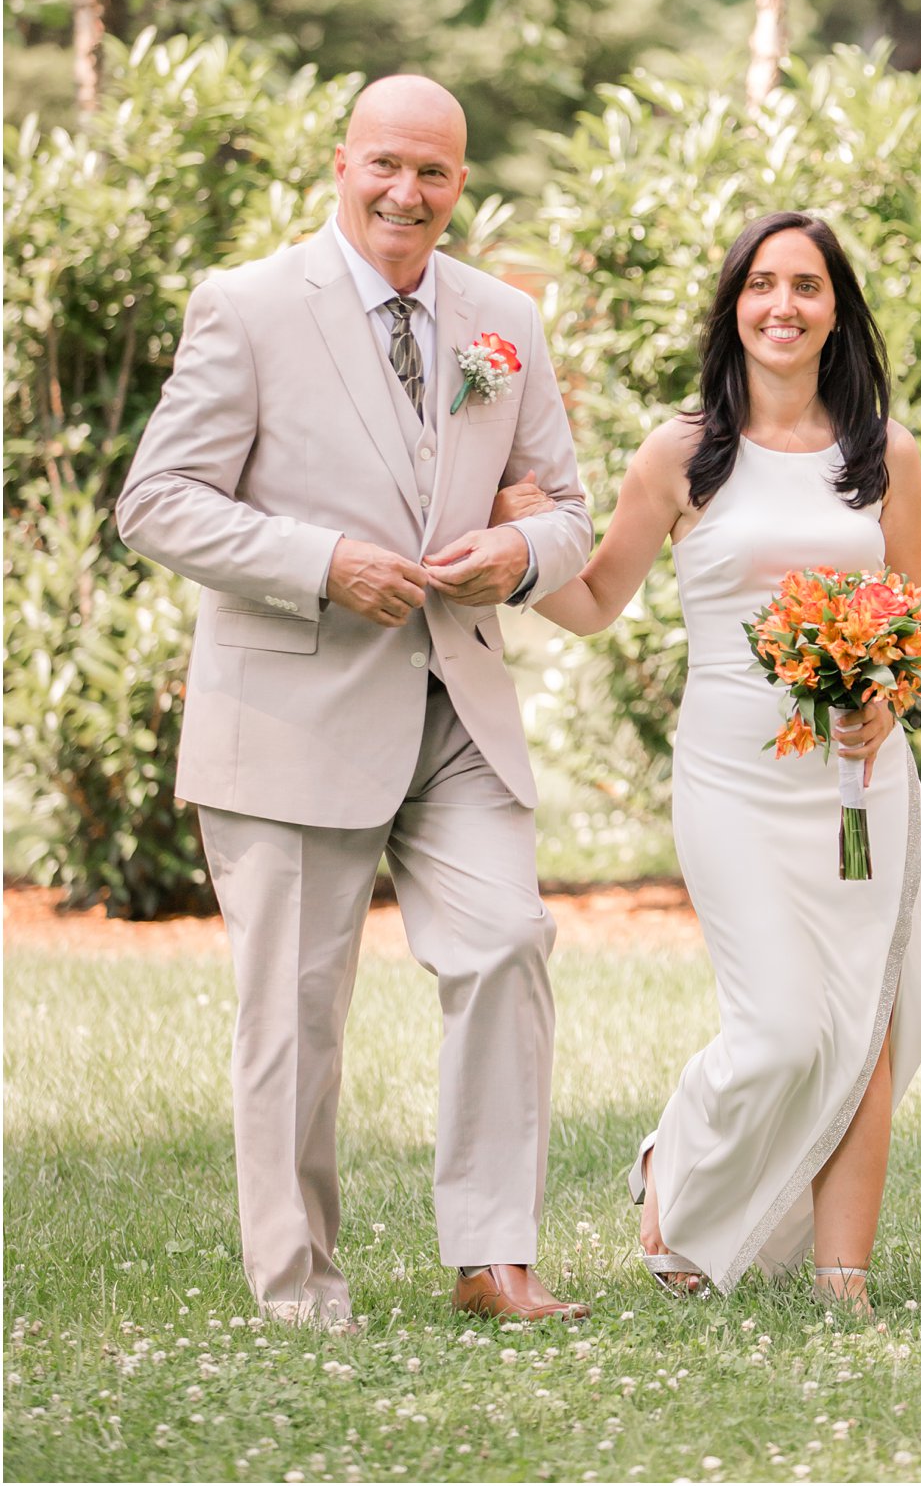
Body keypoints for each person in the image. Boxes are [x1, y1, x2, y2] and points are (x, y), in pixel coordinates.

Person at [117, 75, 594, 1329]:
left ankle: (493, 1258)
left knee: (504, 943)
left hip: (456, 703)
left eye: (435, 172)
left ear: (461, 184)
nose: (407, 192)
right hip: (289, 707)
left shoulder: (503, 322)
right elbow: (158, 500)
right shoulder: (249, 306)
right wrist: (319, 564)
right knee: (294, 1013)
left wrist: (521, 556)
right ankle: (300, 1294)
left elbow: (565, 507)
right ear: (341, 165)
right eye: (387, 163)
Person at [505, 210, 921, 1312]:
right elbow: (597, 599)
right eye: (760, 285)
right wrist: (514, 551)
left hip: (858, 786)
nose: (781, 306)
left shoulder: (885, 456)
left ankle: (841, 1281)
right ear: (732, 306)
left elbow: (907, 629)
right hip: (732, 780)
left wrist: (879, 708)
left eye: (805, 285)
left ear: (836, 308)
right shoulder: (679, 453)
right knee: (784, 1026)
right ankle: (673, 1162)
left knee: (874, 1019)